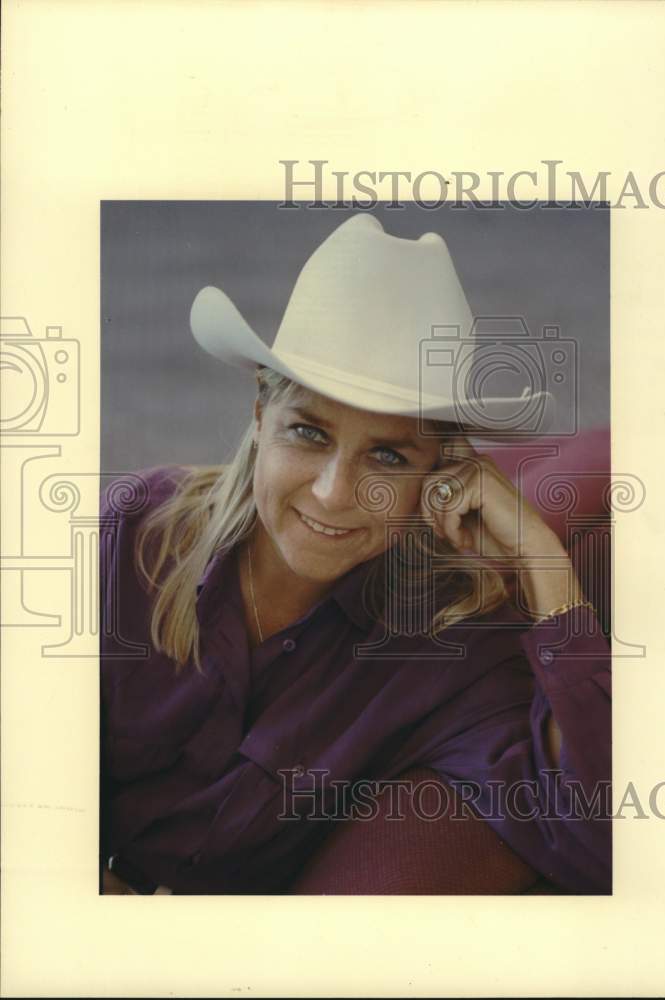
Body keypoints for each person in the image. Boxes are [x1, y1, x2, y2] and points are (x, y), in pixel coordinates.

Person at [100, 213, 611, 895]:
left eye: (388, 456)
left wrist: (542, 561)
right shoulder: (132, 533)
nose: (334, 492)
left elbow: (596, 841)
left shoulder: (450, 647)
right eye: (308, 433)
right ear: (261, 415)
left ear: (442, 472)